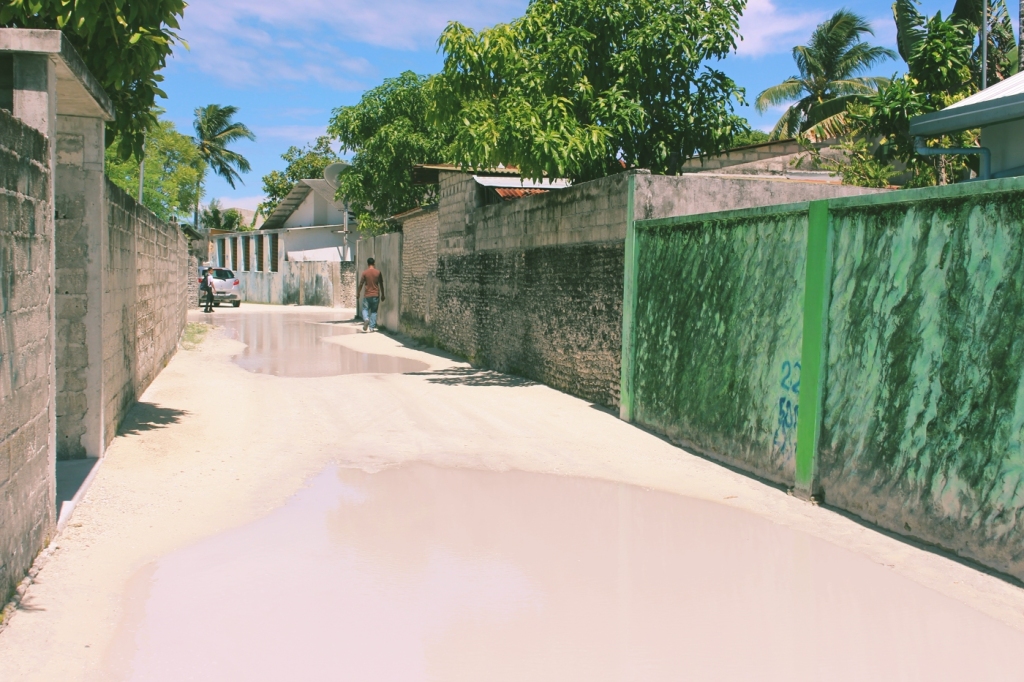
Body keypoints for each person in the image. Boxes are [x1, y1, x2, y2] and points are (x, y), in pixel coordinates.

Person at [356, 257, 385, 332]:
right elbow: (381, 284)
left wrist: (358, 293)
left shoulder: (364, 273)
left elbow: (361, 284)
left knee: (365, 309)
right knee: (374, 311)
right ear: (374, 263)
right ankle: (371, 328)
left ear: (367, 264)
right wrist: (383, 294)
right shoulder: (378, 272)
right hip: (375, 295)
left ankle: (366, 319)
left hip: (367, 295)